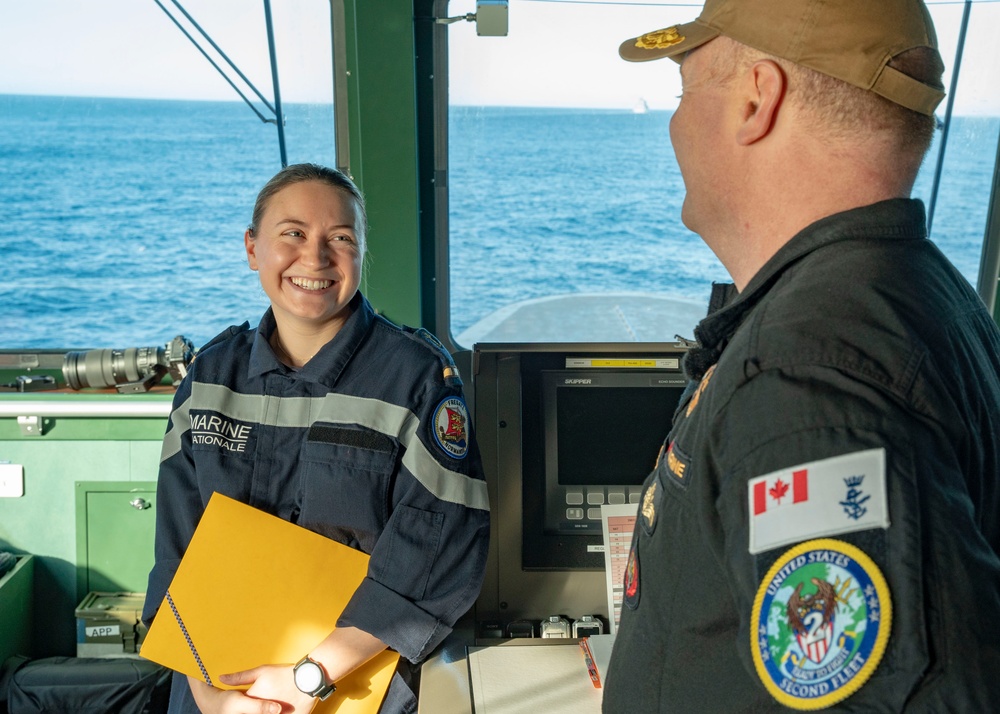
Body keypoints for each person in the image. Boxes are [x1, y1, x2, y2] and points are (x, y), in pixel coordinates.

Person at [604, 0, 1000, 711]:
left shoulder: (809, 373)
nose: (674, 124)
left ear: (758, 99)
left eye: (684, 91)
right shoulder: (925, 294)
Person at [142, 163, 490, 714]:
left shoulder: (416, 377)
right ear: (252, 248)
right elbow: (177, 549)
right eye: (293, 234)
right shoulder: (210, 376)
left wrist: (309, 677)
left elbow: (440, 546)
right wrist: (208, 691)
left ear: (360, 256)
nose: (316, 257)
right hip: (212, 681)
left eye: (341, 239)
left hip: (350, 685)